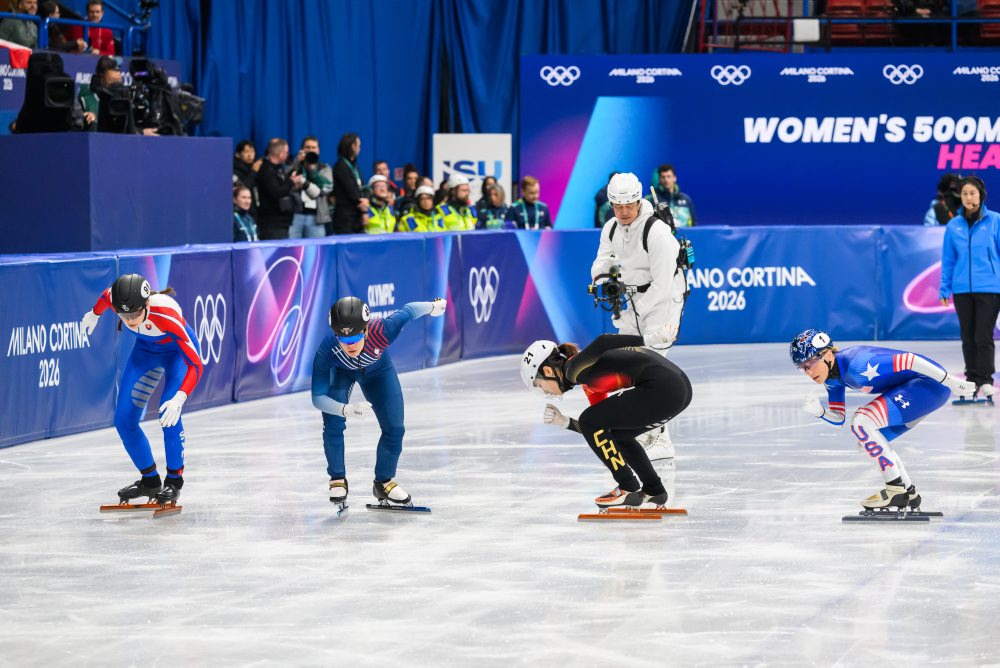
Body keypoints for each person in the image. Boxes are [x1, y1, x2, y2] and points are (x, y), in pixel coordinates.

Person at [791, 328, 974, 509]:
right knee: (870, 440)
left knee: (862, 422)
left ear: (828, 355)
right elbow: (839, 418)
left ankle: (895, 490)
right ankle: (909, 492)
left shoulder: (859, 363)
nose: (808, 371)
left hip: (930, 385)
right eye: (802, 368)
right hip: (919, 390)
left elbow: (911, 360)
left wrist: (950, 381)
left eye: (810, 363)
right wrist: (820, 412)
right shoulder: (832, 379)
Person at [521, 332, 691, 509]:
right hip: (679, 390)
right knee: (619, 435)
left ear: (548, 371)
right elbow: (603, 432)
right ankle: (654, 490)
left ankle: (627, 487)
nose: (545, 393)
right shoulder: (587, 380)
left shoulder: (573, 369)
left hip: (664, 388)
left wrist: (649, 339)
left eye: (540, 386)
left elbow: (605, 341)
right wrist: (566, 422)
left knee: (589, 419)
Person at [311, 295, 448, 508]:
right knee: (333, 421)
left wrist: (433, 306)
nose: (350, 345)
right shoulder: (328, 348)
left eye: (354, 337)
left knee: (395, 428)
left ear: (365, 330)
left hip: (378, 372)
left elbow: (409, 310)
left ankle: (383, 482)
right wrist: (344, 409)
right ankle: (337, 478)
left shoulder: (382, 330)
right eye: (343, 339)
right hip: (342, 373)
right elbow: (318, 398)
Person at [79, 274, 203, 506]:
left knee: (168, 415)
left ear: (146, 304)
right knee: (124, 420)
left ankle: (174, 481)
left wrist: (180, 397)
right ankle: (150, 481)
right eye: (124, 315)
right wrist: (94, 314)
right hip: (144, 353)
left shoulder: (166, 315)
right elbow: (105, 297)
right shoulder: (114, 299)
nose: (130, 321)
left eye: (134, 314)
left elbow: (196, 364)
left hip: (176, 355)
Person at [592, 172, 688, 462]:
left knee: (653, 364)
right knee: (629, 360)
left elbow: (662, 283)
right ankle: (645, 430)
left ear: (638, 200)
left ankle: (661, 439)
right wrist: (601, 279)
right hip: (632, 298)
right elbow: (602, 260)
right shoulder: (611, 228)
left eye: (628, 206)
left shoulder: (657, 233)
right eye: (617, 206)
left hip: (662, 301)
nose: (623, 212)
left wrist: (643, 327)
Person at [939, 176, 1000, 400]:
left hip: (990, 287)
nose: (968, 197)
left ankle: (986, 380)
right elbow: (948, 260)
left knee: (983, 335)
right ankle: (972, 379)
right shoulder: (954, 225)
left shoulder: (995, 221)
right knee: (968, 336)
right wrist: (944, 289)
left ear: (981, 195)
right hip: (962, 289)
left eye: (972, 193)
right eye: (964, 193)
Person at [256, 138, 305, 240]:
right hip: (272, 224)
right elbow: (276, 192)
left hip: (282, 222)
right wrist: (291, 182)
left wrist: (292, 184)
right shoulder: (266, 170)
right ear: (280, 153)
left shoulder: (278, 168)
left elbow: (282, 187)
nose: (287, 155)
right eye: (286, 152)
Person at [290, 136, 333, 239]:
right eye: (307, 147)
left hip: (316, 217)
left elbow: (327, 188)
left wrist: (311, 171)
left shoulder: (324, 167)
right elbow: (286, 182)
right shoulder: (294, 163)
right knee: (291, 250)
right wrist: (297, 162)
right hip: (295, 215)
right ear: (302, 149)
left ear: (318, 150)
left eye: (313, 147)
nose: (310, 150)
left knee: (316, 250)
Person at [331, 133, 368, 234]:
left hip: (357, 217)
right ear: (353, 146)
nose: (360, 149)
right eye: (358, 145)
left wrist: (366, 198)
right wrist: (363, 207)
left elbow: (363, 187)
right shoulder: (340, 166)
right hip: (345, 219)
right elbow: (351, 190)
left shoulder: (355, 167)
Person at [233, 140, 261, 211]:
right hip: (243, 209)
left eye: (252, 152)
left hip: (257, 208)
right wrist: (253, 172)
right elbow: (243, 188)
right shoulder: (235, 169)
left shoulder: (256, 167)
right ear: (238, 154)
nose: (250, 155)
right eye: (246, 152)